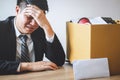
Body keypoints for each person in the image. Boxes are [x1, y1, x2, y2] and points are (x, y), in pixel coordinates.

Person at [0, 0, 65, 74]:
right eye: (29, 17)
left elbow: (59, 61)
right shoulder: (2, 28)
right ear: (17, 10)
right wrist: (27, 66)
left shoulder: (41, 30)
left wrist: (47, 27)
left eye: (39, 18)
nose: (34, 24)